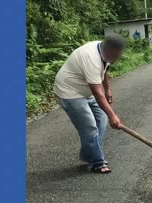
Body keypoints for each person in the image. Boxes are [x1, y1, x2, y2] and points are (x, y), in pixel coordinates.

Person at [53, 34, 126, 173]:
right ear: (109, 50)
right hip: (70, 92)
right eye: (115, 56)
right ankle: (96, 162)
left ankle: (88, 153)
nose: (117, 58)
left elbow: (104, 70)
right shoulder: (91, 58)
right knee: (89, 127)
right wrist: (112, 115)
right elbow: (98, 93)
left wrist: (108, 89)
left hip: (86, 91)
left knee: (101, 119)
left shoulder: (105, 51)